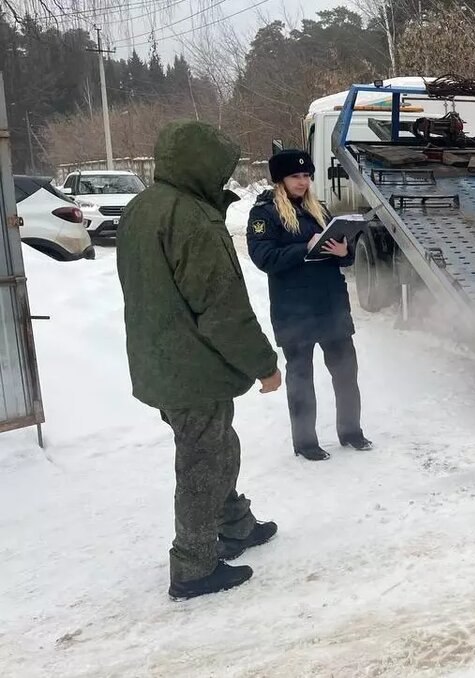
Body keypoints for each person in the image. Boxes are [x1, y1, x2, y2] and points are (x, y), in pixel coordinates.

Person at [116, 120, 282, 601]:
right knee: (202, 459)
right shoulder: (191, 218)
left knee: (216, 446)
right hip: (192, 365)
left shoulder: (142, 207)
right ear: (201, 164)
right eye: (220, 166)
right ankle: (192, 565)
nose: (225, 176)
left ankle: (235, 524)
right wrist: (263, 364)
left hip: (160, 358)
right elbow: (221, 308)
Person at [247, 149, 372, 462]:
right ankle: (305, 442)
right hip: (294, 311)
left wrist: (344, 250)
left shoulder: (320, 210)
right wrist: (305, 247)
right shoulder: (265, 213)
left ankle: (351, 432)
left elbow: (344, 256)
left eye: (306, 176)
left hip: (332, 305)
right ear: (281, 180)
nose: (303, 182)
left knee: (346, 373)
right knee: (301, 378)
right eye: (295, 176)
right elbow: (264, 259)